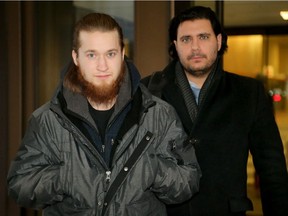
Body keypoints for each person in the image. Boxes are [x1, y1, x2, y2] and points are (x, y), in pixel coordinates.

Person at [7, 13, 201, 216]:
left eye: (110, 54)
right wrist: (65, 178)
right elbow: (19, 184)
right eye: (92, 55)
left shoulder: (159, 114)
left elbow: (189, 178)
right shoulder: (47, 119)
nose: (102, 66)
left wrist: (152, 170)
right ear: (76, 58)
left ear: (122, 53)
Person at [142, 6, 288, 216]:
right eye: (186, 39)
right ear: (175, 45)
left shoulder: (248, 93)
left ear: (218, 41)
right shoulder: (148, 91)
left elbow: (272, 170)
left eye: (203, 37)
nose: (195, 47)